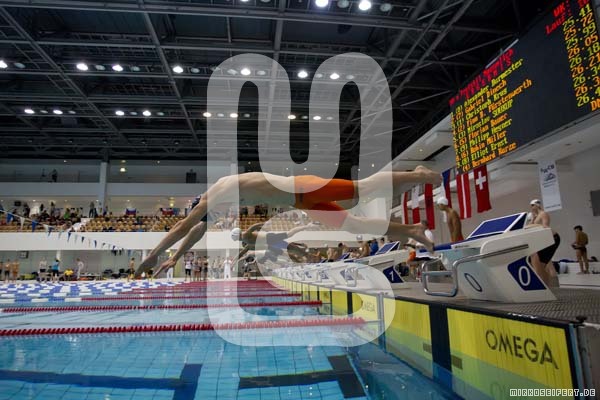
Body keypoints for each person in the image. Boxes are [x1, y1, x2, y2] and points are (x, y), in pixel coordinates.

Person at [136, 167, 441, 276]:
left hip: (304, 187)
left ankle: (416, 174)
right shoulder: (217, 200)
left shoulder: (220, 190)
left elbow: (185, 226)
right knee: (353, 225)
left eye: (206, 214)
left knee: (362, 188)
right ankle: (412, 230)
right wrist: (174, 257)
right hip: (301, 201)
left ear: (200, 203)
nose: (213, 218)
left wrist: (154, 254)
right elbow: (195, 230)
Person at [528, 199, 560, 287]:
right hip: (543, 240)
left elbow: (546, 226)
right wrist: (533, 220)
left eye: (532, 205)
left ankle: (550, 285)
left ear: (537, 205)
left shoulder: (543, 214)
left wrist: (533, 225)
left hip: (552, 238)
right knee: (542, 265)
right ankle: (546, 286)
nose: (531, 207)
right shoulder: (535, 216)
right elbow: (529, 227)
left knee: (545, 264)